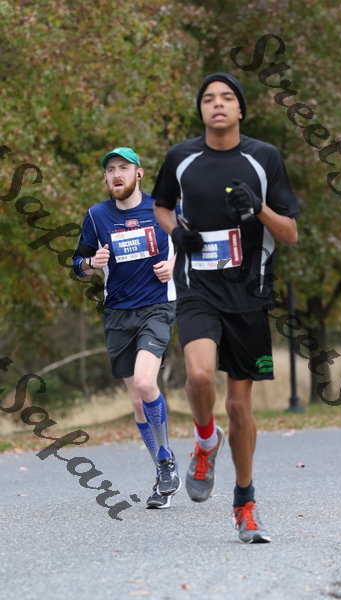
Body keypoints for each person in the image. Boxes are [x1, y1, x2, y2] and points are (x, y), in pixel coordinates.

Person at [152, 73, 299, 542]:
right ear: (201, 110)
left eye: (227, 98)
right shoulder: (181, 157)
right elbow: (161, 206)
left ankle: (245, 504)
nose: (217, 104)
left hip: (249, 293)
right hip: (197, 286)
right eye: (209, 99)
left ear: (240, 109)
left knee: (238, 407)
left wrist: (259, 209)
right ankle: (203, 441)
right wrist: (177, 233)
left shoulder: (263, 158)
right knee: (198, 375)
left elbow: (290, 233)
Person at [72, 147, 181, 509]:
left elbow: (193, 242)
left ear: (139, 173)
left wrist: (175, 265)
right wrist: (91, 262)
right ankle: (162, 472)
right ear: (105, 178)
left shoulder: (162, 208)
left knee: (147, 383)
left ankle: (166, 459)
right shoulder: (97, 215)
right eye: (110, 169)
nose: (116, 174)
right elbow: (76, 263)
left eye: (123, 167)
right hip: (118, 313)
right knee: (136, 400)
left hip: (157, 306)